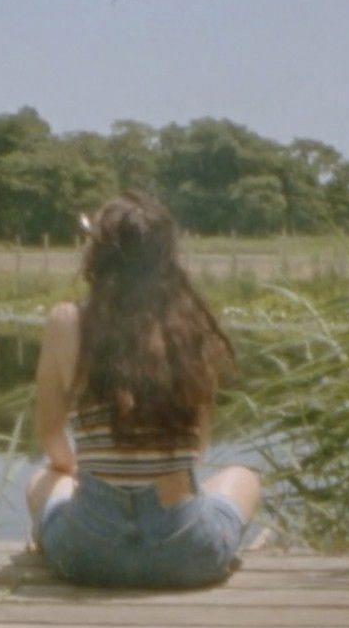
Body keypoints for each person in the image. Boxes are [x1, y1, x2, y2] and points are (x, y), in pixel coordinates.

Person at [26, 192, 260, 588]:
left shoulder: (66, 321)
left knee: (40, 479)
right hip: (187, 555)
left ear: (98, 256)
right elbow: (198, 449)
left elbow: (51, 437)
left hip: (85, 557)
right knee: (243, 476)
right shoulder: (189, 327)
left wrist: (83, 474)